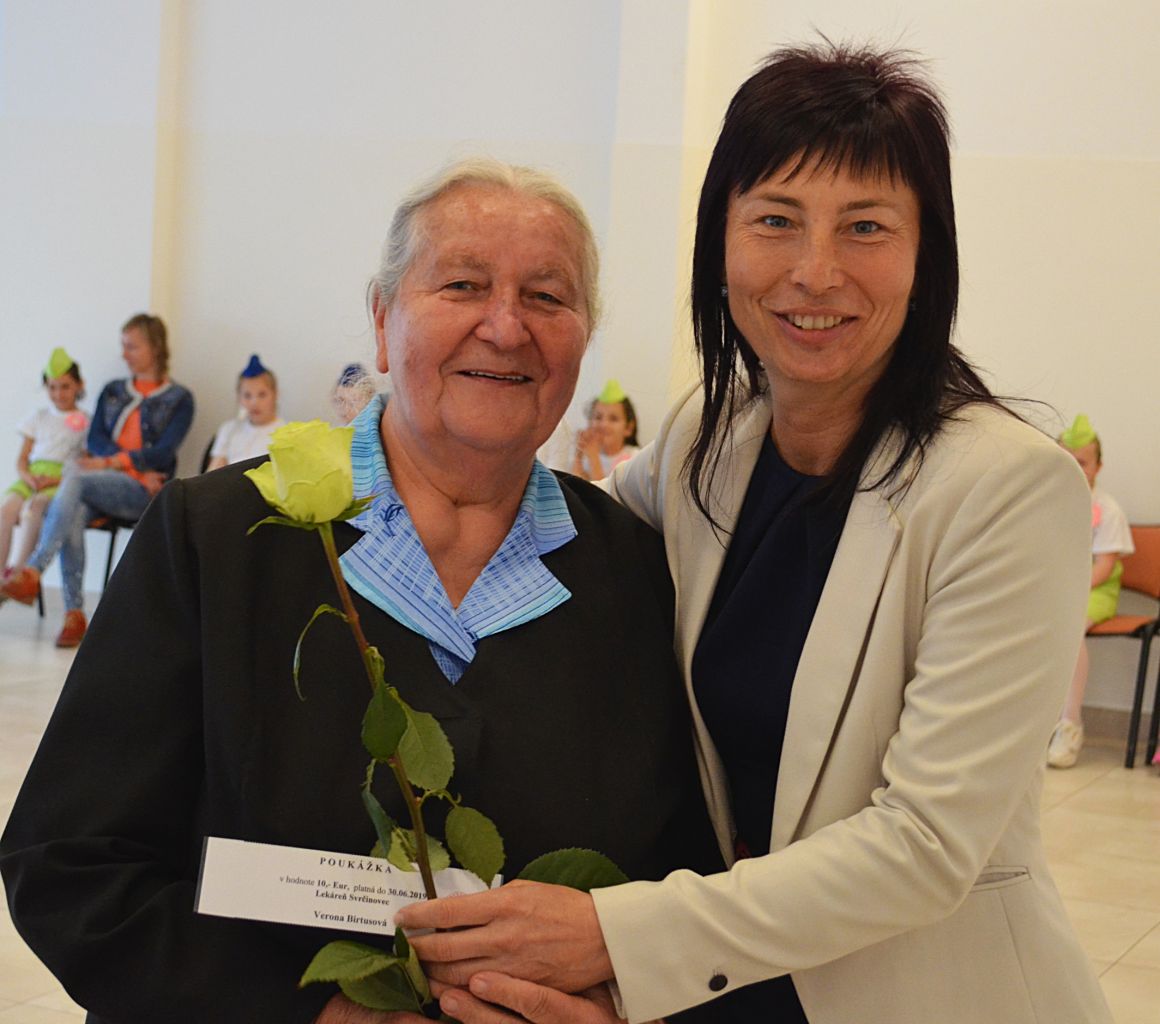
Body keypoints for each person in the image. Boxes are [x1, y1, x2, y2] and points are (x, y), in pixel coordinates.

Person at [393, 44, 1113, 1024]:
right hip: (729, 983)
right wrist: (414, 467)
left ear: (925, 256)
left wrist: (609, 934)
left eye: (865, 227)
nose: (814, 272)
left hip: (924, 993)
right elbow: (556, 534)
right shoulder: (709, 438)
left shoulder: (1006, 489)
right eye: (775, 220)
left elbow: (925, 844)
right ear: (719, 244)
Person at [0, 160, 726, 1024]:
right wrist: (314, 1015)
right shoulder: (215, 539)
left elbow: (690, 882)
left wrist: (620, 1000)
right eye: (462, 285)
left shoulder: (640, 576)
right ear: (382, 323)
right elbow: (71, 863)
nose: (506, 326)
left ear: (582, 338)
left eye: (547, 296)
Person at [0, 313, 194, 647]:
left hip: (144, 491)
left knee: (76, 476)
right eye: (123, 346)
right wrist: (119, 464)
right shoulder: (113, 391)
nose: (124, 354)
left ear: (155, 347)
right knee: (74, 511)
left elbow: (163, 453)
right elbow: (97, 439)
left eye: (131, 346)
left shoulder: (180, 399)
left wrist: (114, 464)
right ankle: (73, 615)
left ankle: (33, 571)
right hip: (107, 482)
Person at [1048, 414, 1134, 769]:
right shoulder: (1047, 505)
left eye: (1082, 462)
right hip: (1056, 587)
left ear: (1098, 466)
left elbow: (1104, 566)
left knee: (1071, 630)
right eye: (1066, 459)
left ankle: (1069, 725)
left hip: (1094, 590)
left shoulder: (1107, 509)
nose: (1075, 468)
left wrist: (1069, 588)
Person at [0, 348, 88, 576]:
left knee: (33, 509)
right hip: (32, 475)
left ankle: (19, 574)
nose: (58, 394)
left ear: (79, 385)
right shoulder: (38, 417)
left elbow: (84, 465)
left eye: (65, 386)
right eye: (52, 387)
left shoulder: (86, 422)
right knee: (6, 510)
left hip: (60, 480)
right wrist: (27, 477)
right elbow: (22, 459)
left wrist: (55, 480)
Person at [205, 354, 285, 471]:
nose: (254, 403)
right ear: (239, 398)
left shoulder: (285, 434)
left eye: (262, 395)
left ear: (275, 394)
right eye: (247, 395)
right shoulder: (229, 429)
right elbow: (213, 472)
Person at [569, 380, 640, 482]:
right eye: (598, 417)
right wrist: (578, 454)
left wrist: (594, 458)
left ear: (628, 428)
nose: (604, 424)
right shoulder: (586, 458)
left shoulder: (634, 458)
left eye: (613, 419)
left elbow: (603, 491)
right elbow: (573, 486)